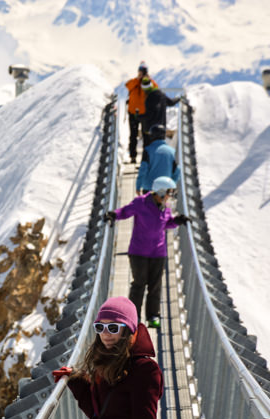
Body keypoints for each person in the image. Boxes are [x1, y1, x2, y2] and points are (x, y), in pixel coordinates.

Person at [104, 177, 190, 328]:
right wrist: (113, 215)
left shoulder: (165, 206)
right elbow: (125, 212)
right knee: (139, 284)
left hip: (158, 251)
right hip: (139, 251)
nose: (170, 196)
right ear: (160, 192)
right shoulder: (141, 203)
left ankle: (152, 316)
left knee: (155, 285)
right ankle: (133, 316)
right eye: (169, 192)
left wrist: (177, 221)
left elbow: (166, 223)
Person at [124, 62, 156, 164]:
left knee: (146, 136)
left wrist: (148, 80)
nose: (141, 74)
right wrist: (137, 79)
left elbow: (155, 89)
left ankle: (145, 158)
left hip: (145, 113)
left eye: (143, 72)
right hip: (133, 112)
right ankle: (132, 156)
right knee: (133, 135)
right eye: (140, 72)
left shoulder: (148, 83)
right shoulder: (134, 82)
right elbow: (127, 85)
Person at [136, 124, 181, 195]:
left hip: (149, 188)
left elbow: (143, 170)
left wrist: (138, 186)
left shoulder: (148, 150)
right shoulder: (172, 151)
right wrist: (173, 184)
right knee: (163, 206)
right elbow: (177, 170)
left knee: (149, 206)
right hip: (165, 187)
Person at [140, 76, 181, 148]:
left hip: (150, 129)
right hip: (162, 128)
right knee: (160, 147)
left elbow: (149, 115)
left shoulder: (149, 98)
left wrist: (139, 116)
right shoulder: (161, 94)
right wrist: (179, 98)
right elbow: (171, 102)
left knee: (149, 149)